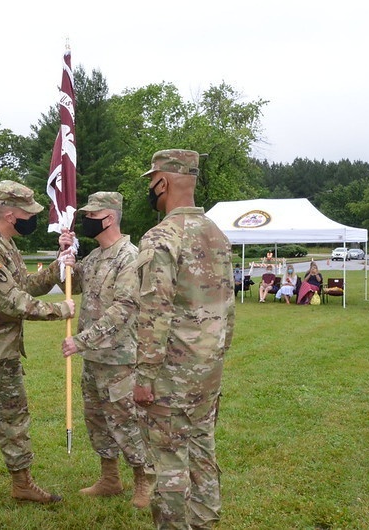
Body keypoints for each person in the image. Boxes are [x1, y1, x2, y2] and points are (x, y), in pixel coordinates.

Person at [0, 180, 76, 518]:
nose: (33, 218)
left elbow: (25, 285)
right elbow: (11, 302)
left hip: (5, 352)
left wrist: (57, 266)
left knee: (14, 419)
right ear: (10, 214)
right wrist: (59, 310)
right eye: (28, 213)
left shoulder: (5, 243)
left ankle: (22, 482)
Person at [134, 149, 235, 529]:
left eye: (151, 182)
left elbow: (154, 312)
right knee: (203, 450)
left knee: (170, 460)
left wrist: (144, 376)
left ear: (162, 181)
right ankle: (205, 523)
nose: (151, 189)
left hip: (171, 375)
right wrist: (218, 355)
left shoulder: (162, 237)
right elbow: (228, 306)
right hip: (208, 368)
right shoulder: (218, 234)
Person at [57, 192, 151, 509]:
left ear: (108, 217)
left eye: (91, 215)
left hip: (119, 359)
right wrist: (67, 258)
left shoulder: (129, 257)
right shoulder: (97, 257)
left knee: (126, 422)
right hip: (95, 360)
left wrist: (81, 340)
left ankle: (143, 479)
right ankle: (110, 478)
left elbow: (124, 309)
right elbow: (74, 283)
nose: (86, 220)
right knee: (97, 421)